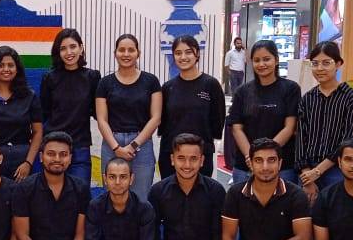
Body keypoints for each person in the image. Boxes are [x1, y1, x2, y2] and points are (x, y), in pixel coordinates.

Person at [96, 34, 162, 200]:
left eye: (131, 50)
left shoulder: (151, 81)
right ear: (115, 53)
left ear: (138, 53)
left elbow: (156, 118)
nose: (126, 54)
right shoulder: (105, 83)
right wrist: (117, 148)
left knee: (140, 198)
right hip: (112, 144)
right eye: (122, 50)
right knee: (112, 198)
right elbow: (102, 120)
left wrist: (133, 145)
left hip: (141, 145)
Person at [295, 41, 353, 203]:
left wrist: (318, 171)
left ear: (338, 64)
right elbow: (301, 138)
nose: (320, 68)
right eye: (315, 63)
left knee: (335, 213)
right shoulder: (307, 98)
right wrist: (307, 174)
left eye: (326, 63)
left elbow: (350, 139)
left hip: (336, 169)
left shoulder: (349, 96)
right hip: (307, 169)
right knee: (306, 213)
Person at [228, 40, 301, 185]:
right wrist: (252, 156)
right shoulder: (242, 92)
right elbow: (236, 128)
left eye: (266, 59)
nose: (261, 64)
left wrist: (266, 156)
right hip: (246, 165)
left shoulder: (291, 89)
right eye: (257, 60)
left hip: (281, 165)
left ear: (276, 60)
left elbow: (290, 127)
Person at [0, 46, 44, 181]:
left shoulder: (30, 96)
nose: (6, 69)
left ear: (17, 69)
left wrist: (28, 163)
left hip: (23, 163)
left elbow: (38, 132)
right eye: (1, 65)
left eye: (11, 65)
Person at [159, 35, 225, 179]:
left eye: (188, 52)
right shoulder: (168, 87)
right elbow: (162, 123)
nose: (183, 57)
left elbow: (218, 121)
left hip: (201, 155)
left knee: (201, 192)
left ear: (197, 54)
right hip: (171, 155)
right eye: (178, 53)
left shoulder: (211, 85)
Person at [39, 28, 101, 185]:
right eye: (63, 48)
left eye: (73, 47)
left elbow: (98, 113)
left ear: (81, 48)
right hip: (54, 147)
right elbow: (44, 114)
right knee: (51, 194)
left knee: (80, 194)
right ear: (58, 52)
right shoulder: (49, 78)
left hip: (80, 147)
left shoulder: (92, 77)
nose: (69, 52)